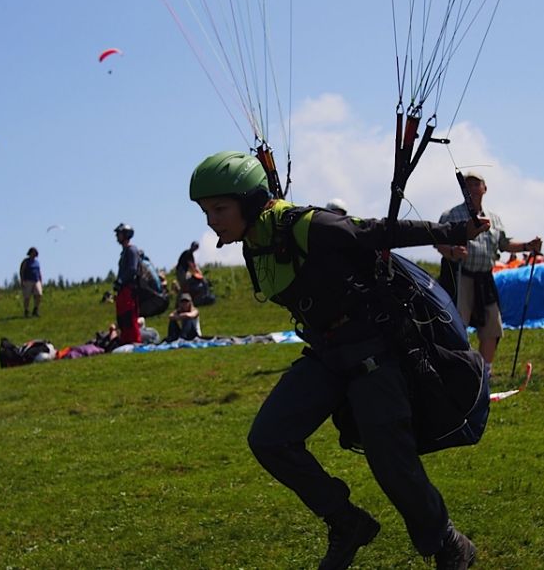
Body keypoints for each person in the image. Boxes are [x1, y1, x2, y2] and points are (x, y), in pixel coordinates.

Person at [189, 150, 487, 569]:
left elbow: (378, 232)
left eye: (219, 209)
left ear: (250, 200)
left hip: (373, 352)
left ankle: (448, 543)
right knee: (269, 437)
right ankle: (347, 522)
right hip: (327, 355)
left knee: (391, 462)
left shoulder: (310, 226)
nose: (211, 221)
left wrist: (455, 230)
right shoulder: (257, 243)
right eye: (205, 211)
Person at [437, 171, 541, 373]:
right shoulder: (451, 215)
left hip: (485, 277)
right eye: (468, 185)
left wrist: (527, 246)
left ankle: (485, 371)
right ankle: (457, 369)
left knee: (493, 327)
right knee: (457, 324)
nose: (473, 189)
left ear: (485, 188)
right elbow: (438, 240)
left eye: (477, 184)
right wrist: (452, 251)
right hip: (460, 275)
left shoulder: (494, 219)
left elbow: (505, 244)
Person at [112, 223, 144, 346]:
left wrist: (121, 280)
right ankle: (125, 340)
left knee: (129, 317)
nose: (117, 236)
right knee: (122, 317)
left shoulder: (132, 250)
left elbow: (132, 269)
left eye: (119, 234)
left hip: (129, 290)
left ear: (126, 235)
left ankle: (135, 341)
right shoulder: (125, 252)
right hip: (123, 290)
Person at [19, 247, 43, 317]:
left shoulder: (37, 262)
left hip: (36, 280)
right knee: (27, 297)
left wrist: (41, 280)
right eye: (34, 252)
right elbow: (22, 271)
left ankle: (35, 309)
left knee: (39, 294)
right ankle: (26, 310)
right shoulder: (26, 261)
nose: (35, 254)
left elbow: (39, 271)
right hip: (27, 281)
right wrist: (22, 280)